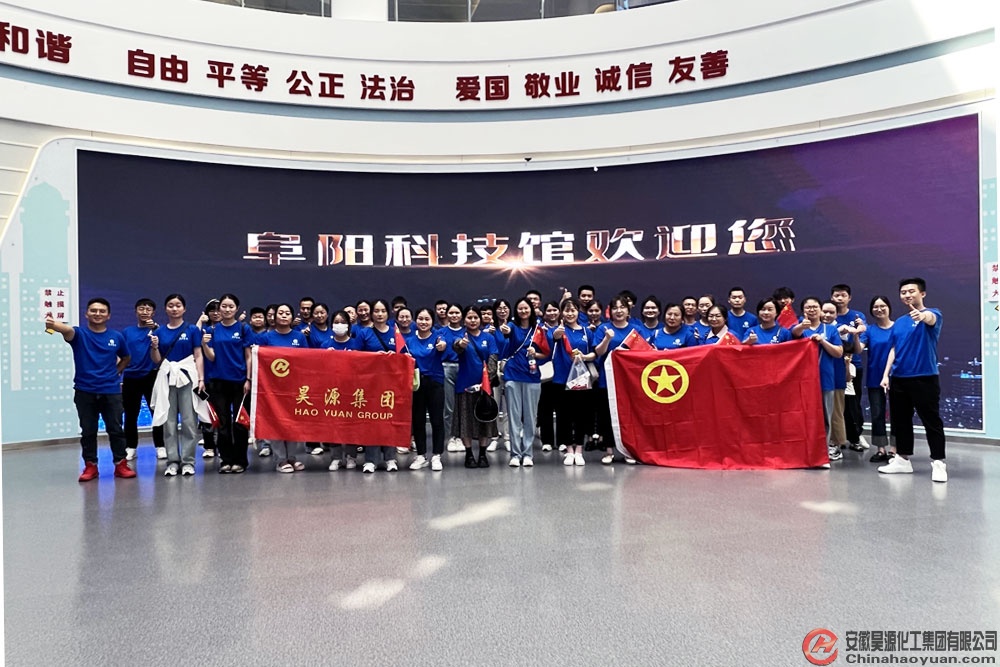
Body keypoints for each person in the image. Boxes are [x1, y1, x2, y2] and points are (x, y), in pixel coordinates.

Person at [47, 298, 135, 482]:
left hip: (111, 391)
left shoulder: (116, 337)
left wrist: (116, 372)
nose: (97, 314)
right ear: (86, 314)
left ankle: (121, 464)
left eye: (102, 311)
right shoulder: (79, 334)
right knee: (88, 431)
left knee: (116, 429)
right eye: (93, 310)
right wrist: (52, 324)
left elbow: (126, 357)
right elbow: (66, 330)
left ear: (108, 315)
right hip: (84, 390)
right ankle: (90, 466)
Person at [877, 278, 947, 482]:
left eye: (911, 291)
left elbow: (930, 319)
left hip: (924, 377)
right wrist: (886, 375)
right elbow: (894, 349)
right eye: (903, 292)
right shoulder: (899, 322)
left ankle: (938, 462)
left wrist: (922, 315)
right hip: (899, 378)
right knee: (900, 422)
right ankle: (902, 460)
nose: (907, 295)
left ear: (922, 293)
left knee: (931, 421)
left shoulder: (934, 313)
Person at [150, 294, 206, 477]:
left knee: (189, 421)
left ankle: (188, 461)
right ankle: (173, 461)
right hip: (167, 378)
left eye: (178, 305)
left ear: (184, 309)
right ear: (165, 309)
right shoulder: (159, 332)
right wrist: (154, 347)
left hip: (188, 378)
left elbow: (198, 355)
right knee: (169, 422)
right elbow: (157, 360)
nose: (174, 308)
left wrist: (201, 379)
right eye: (171, 305)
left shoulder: (192, 330)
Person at [201, 293, 253, 473]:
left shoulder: (244, 328)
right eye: (224, 306)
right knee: (222, 424)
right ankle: (226, 460)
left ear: (236, 308)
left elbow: (248, 356)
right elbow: (212, 357)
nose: (227, 309)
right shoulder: (212, 330)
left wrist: (248, 379)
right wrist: (204, 345)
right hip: (218, 382)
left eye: (231, 306)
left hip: (240, 381)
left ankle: (240, 461)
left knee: (240, 423)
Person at [792, 297, 845, 463]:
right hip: (803, 381)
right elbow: (793, 334)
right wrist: (802, 327)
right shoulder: (799, 327)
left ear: (821, 310)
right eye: (808, 307)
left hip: (826, 380)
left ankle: (822, 452)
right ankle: (803, 451)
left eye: (815, 307)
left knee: (825, 418)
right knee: (802, 416)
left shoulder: (830, 329)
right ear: (803, 310)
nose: (812, 310)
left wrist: (823, 341)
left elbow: (839, 352)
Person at [259, 303, 309, 473]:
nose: (284, 315)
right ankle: (280, 459)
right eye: (280, 313)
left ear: (292, 317)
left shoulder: (299, 337)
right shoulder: (266, 337)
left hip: (294, 387)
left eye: (287, 313)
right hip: (273, 388)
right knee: (276, 423)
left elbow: (306, 360)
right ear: (274, 317)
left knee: (293, 423)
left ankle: (292, 457)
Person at [355, 299, 402, 472]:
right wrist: (373, 357)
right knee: (371, 421)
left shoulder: (395, 333)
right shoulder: (364, 333)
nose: (380, 314)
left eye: (383, 311)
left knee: (390, 420)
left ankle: (390, 458)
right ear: (371, 314)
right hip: (370, 384)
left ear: (388, 313)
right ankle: (371, 460)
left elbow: (404, 356)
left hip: (391, 384)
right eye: (376, 311)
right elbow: (355, 356)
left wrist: (393, 357)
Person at [452, 306, 499, 468]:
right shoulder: (460, 336)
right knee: (465, 421)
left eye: (475, 317)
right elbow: (456, 347)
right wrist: (461, 344)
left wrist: (486, 381)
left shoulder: (489, 337)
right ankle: (469, 454)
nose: (472, 320)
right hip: (465, 385)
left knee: (484, 420)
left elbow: (493, 359)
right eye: (469, 317)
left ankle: (483, 454)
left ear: (480, 319)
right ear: (464, 320)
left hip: (484, 386)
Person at [550, 298, 596, 466]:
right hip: (561, 379)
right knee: (564, 416)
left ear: (578, 312)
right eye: (567, 310)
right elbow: (552, 339)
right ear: (562, 313)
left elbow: (594, 353)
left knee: (581, 415)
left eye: (573, 310)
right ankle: (569, 450)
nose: (570, 313)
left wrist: (584, 357)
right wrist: (557, 334)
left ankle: (579, 450)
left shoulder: (586, 332)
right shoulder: (558, 331)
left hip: (581, 380)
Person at [593, 295, 638, 464]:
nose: (619, 311)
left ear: (628, 310)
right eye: (615, 308)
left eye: (622, 307)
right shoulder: (603, 328)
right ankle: (609, 451)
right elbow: (598, 352)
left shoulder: (636, 330)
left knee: (629, 416)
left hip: (629, 381)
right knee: (607, 416)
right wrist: (607, 339)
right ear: (610, 311)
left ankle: (629, 451)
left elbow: (642, 353)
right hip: (607, 380)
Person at [120, 297, 165, 461]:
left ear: (153, 312)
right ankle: (131, 447)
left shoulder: (158, 331)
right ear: (136, 311)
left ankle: (160, 446)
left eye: (148, 309)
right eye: (141, 308)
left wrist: (155, 328)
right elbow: (121, 354)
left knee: (157, 413)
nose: (144, 312)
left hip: (152, 376)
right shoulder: (127, 332)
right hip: (131, 377)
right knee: (131, 414)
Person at [499, 297, 542, 467]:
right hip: (512, 375)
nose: (523, 311)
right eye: (520, 308)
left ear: (531, 310)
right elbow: (506, 332)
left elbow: (546, 353)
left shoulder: (538, 329)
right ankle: (516, 454)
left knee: (530, 417)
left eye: (526, 308)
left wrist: (535, 354)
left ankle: (528, 454)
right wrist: (505, 331)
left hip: (532, 376)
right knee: (514, 417)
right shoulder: (512, 326)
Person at [406, 308, 447, 471]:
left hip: (435, 382)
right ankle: (421, 455)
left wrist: (442, 346)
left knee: (437, 420)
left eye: (427, 319)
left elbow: (443, 346)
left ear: (432, 321)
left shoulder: (438, 337)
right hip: (416, 384)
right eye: (420, 319)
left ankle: (437, 455)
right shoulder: (409, 341)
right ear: (416, 321)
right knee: (418, 420)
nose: (423, 322)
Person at [321, 310, 362, 470]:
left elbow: (365, 364)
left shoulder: (356, 344)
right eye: (336, 322)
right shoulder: (326, 345)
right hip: (332, 390)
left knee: (351, 423)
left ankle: (351, 456)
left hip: (352, 389)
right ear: (331, 325)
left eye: (343, 322)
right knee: (334, 423)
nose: (339, 325)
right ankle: (336, 457)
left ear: (349, 325)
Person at [831, 283, 869, 450]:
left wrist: (857, 329)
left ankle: (856, 435)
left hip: (854, 365)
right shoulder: (828, 316)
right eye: (836, 295)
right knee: (836, 404)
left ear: (849, 298)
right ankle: (837, 437)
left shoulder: (857, 316)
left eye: (843, 295)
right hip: (833, 365)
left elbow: (863, 332)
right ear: (832, 297)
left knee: (854, 403)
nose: (839, 298)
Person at [861, 295, 896, 463]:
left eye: (883, 306)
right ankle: (881, 449)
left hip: (897, 376)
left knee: (897, 414)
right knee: (877, 413)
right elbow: (859, 348)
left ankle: (895, 449)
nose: (879, 309)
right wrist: (855, 335)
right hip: (875, 376)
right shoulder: (869, 330)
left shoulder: (897, 328)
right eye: (875, 307)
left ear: (889, 307)